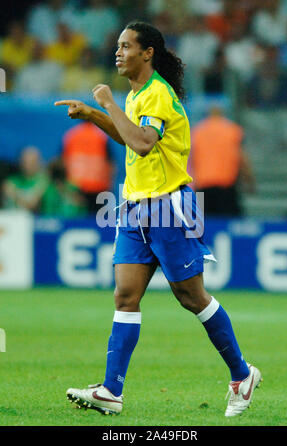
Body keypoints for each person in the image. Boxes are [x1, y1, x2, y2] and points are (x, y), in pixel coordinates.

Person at [55, 21, 262, 418]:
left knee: (191, 297)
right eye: (117, 45)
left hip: (168, 208)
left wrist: (107, 103)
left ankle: (242, 374)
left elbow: (144, 144)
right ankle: (111, 391)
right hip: (134, 208)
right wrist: (95, 116)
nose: (117, 52)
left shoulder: (158, 96)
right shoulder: (136, 95)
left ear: (147, 52)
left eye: (126, 46)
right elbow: (129, 135)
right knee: (125, 296)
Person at [191, 105, 255, 217]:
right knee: (229, 223)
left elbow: (191, 160)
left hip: (202, 186)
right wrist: (249, 180)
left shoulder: (197, 131)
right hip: (226, 186)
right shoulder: (232, 130)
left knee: (201, 223)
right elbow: (242, 158)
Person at [2, 146, 48, 213]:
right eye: (24, 161)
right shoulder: (11, 180)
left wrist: (15, 195)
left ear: (38, 162)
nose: (26, 165)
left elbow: (32, 205)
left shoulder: (44, 181)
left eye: (31, 161)